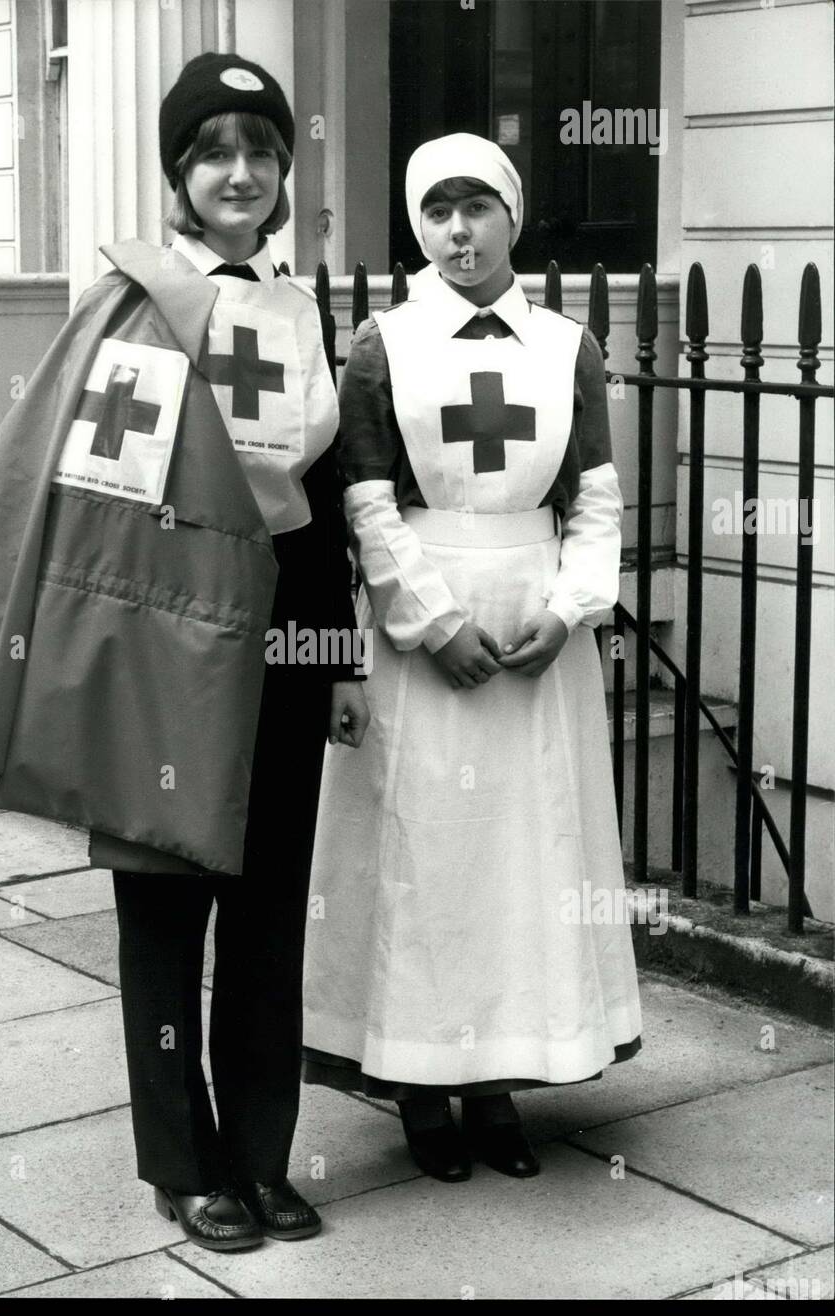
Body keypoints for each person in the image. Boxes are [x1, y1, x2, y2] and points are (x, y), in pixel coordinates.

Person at [0, 53, 367, 1253]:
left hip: (284, 634)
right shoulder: (132, 300)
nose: (240, 173)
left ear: (284, 170)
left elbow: (326, 486)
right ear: (177, 176)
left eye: (260, 150)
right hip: (163, 634)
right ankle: (180, 1162)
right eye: (212, 153)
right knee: (161, 909)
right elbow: (89, 496)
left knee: (266, 908)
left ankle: (260, 1153)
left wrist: (336, 652)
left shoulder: (302, 305)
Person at [301, 133, 642, 1185]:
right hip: (430, 624)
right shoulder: (384, 347)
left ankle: (497, 1079)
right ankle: (419, 1081)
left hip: (535, 622)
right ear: (419, 225)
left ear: (512, 215)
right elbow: (364, 498)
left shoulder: (565, 346)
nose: (459, 230)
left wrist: (573, 604)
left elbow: (590, 494)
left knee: (522, 855)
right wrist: (429, 620)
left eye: (478, 208)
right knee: (428, 853)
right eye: (438, 211)